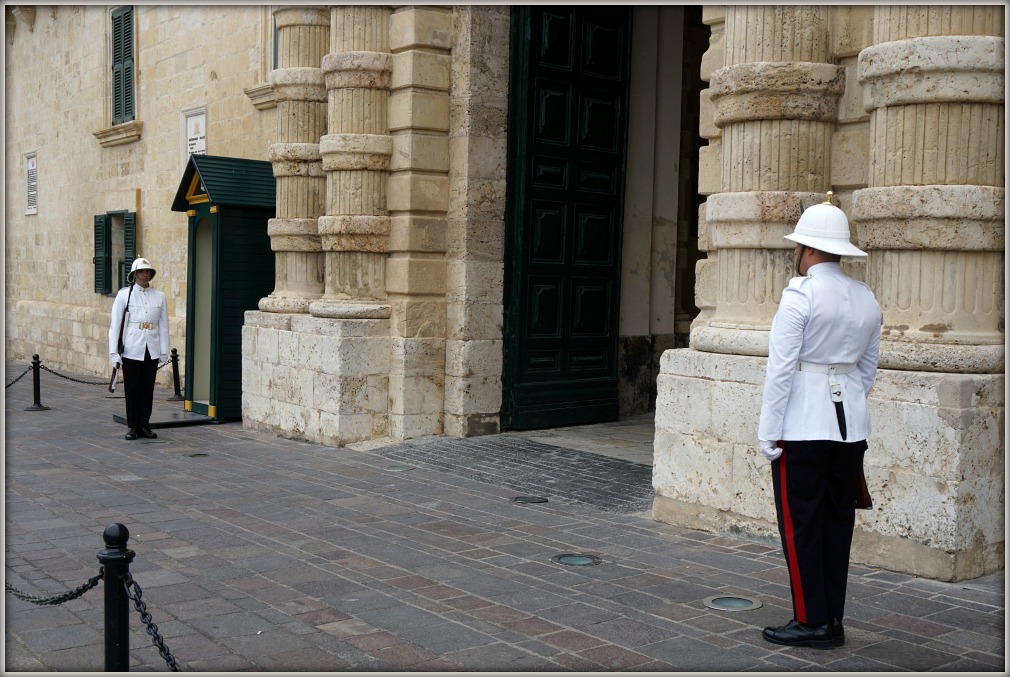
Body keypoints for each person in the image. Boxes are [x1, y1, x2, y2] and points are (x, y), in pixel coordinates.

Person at [757, 193, 882, 649]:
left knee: (801, 526)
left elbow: (781, 369)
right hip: (850, 427)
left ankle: (811, 621)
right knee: (836, 524)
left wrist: (768, 431)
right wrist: (848, 403)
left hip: (803, 426)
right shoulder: (865, 297)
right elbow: (866, 370)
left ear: (808, 249)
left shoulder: (800, 295)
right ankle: (831, 617)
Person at [109, 258, 169, 440]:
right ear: (134, 274)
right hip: (132, 347)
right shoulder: (124, 295)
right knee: (132, 388)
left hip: (151, 347)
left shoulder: (159, 296)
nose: (145, 274)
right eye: (141, 271)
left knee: (147, 389)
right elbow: (116, 325)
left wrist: (164, 350)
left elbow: (164, 325)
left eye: (147, 271)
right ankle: (133, 426)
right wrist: (114, 353)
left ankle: (144, 424)